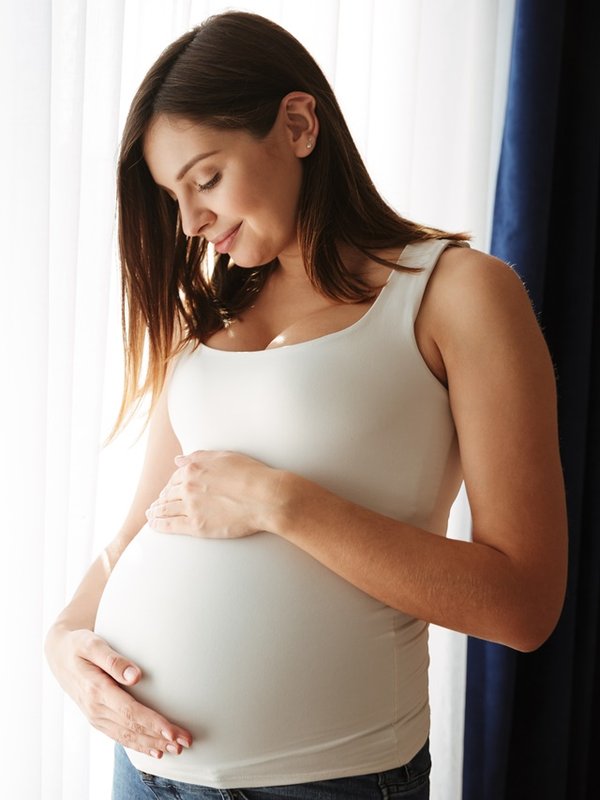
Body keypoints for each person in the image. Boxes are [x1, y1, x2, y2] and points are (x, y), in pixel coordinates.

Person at [44, 11, 568, 800]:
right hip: (144, 773)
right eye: (171, 198)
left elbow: (524, 604)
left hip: (327, 782)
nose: (190, 224)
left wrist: (280, 501)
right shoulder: (209, 319)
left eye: (206, 179)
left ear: (296, 124)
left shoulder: (456, 295)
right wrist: (63, 644)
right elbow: (137, 529)